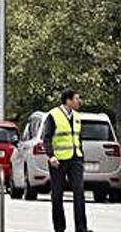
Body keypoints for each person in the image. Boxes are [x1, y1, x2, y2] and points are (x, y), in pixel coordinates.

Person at [43, 89, 92, 232]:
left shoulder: (77, 116)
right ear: (68, 100)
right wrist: (51, 156)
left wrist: (81, 156)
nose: (79, 101)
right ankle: (59, 228)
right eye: (76, 99)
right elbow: (47, 138)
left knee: (79, 191)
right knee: (57, 194)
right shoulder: (53, 115)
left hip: (75, 159)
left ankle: (81, 228)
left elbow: (77, 137)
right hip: (58, 161)